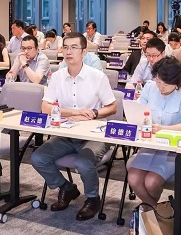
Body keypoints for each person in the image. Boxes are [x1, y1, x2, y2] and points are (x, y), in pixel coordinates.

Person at [30, 32, 117, 221]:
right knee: (38, 158)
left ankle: (93, 199)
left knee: (83, 162)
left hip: (94, 134)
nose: (69, 52)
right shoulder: (57, 77)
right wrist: (71, 112)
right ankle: (66, 187)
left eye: (74, 47)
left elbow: (112, 107)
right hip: (68, 132)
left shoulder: (97, 76)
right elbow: (45, 107)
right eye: (66, 47)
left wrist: (94, 113)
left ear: (84, 52)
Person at [127, 57, 181, 205]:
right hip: (150, 146)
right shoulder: (150, 87)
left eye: (166, 84)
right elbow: (138, 109)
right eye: (159, 81)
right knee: (133, 178)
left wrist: (163, 129)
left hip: (175, 149)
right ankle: (158, 211)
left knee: (151, 182)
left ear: (177, 83)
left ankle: (152, 213)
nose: (161, 87)